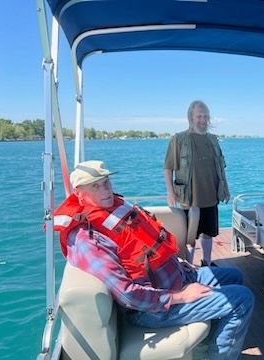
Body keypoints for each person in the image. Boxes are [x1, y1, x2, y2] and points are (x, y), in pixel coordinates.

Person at [54, 160, 253, 359]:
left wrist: (182, 266)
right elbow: (127, 295)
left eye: (106, 182)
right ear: (79, 193)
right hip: (152, 307)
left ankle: (211, 346)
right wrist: (180, 296)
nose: (105, 189)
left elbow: (147, 246)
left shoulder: (114, 206)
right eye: (95, 186)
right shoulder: (88, 238)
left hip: (180, 276)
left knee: (234, 276)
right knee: (242, 299)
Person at [164, 100, 230, 266]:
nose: (203, 119)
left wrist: (226, 188)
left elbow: (221, 167)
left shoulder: (214, 140)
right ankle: (189, 265)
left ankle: (207, 261)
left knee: (208, 233)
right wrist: (170, 192)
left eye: (205, 116)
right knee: (189, 236)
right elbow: (168, 167)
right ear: (191, 117)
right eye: (199, 116)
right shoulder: (178, 139)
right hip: (189, 197)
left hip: (211, 195)